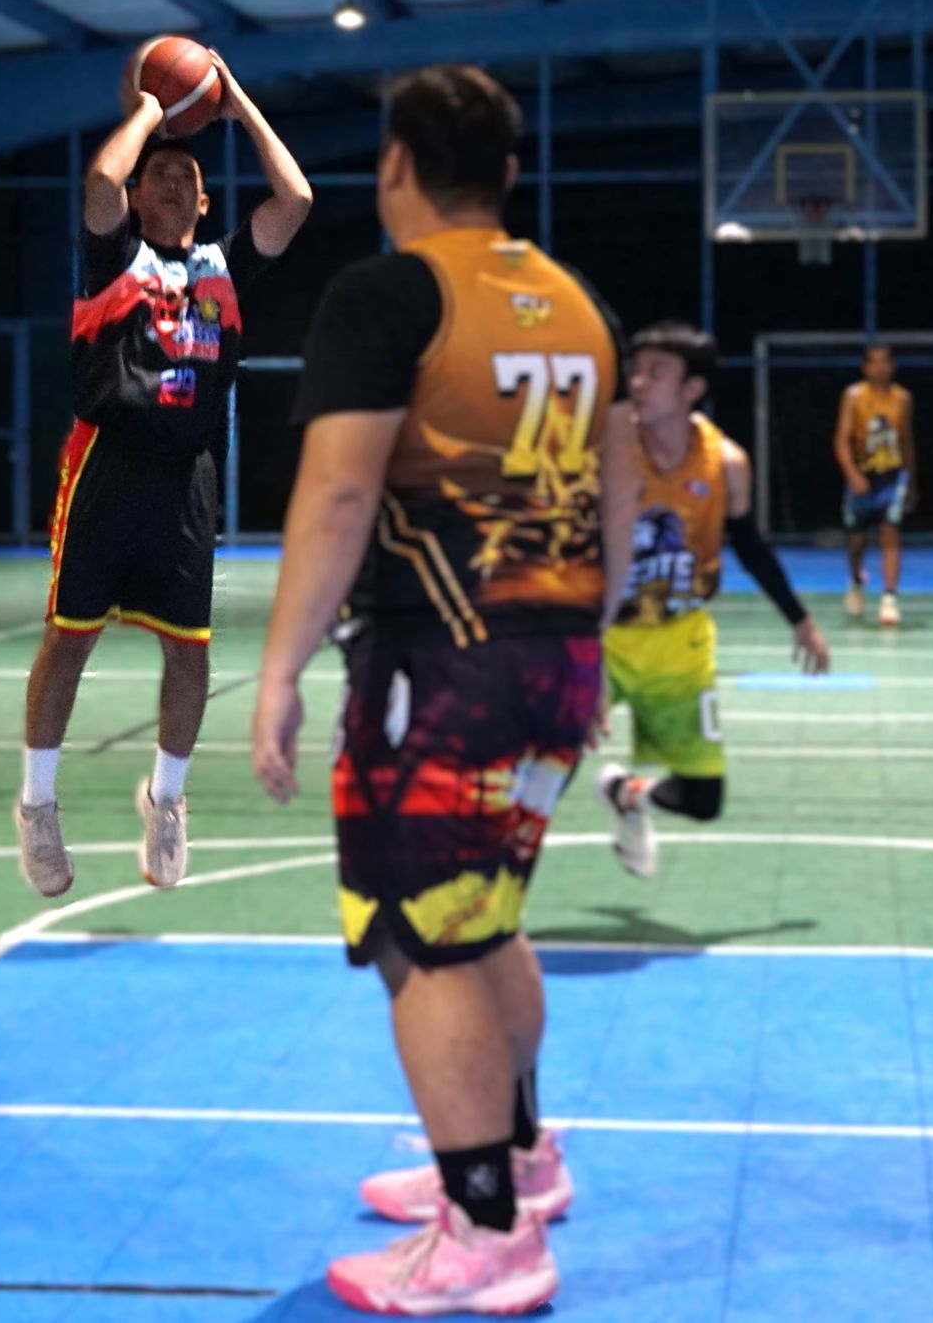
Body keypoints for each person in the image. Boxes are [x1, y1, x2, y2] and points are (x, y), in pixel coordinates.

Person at [250, 64, 639, 1316]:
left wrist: (277, 669)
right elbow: (620, 492)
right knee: (488, 909)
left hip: (441, 664)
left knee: (421, 933)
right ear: (511, 175)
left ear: (396, 167)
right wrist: (586, 627)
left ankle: (488, 1235)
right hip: (558, 656)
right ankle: (517, 1157)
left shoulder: (388, 294)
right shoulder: (574, 302)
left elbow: (340, 494)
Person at [18, 52, 312, 896]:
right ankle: (39, 805)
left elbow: (296, 201)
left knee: (190, 652)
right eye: (163, 178)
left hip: (189, 474)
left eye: (189, 176)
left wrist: (234, 100)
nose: (176, 185)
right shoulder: (114, 258)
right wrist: (155, 108)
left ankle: (169, 801)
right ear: (144, 198)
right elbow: (101, 183)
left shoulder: (225, 266)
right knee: (68, 640)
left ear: (206, 198)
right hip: (106, 460)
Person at [595, 323, 830, 878]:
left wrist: (800, 620)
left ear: (693, 390)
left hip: (680, 639)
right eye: (636, 370)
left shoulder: (726, 462)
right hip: (603, 633)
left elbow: (747, 543)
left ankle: (629, 796)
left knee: (705, 800)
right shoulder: (608, 448)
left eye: (658, 373)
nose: (639, 382)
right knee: (537, 766)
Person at [835, 343, 916, 626]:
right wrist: (852, 474)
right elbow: (841, 440)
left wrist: (912, 480)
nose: (880, 367)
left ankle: (889, 598)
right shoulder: (854, 396)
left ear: (893, 366)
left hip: (891, 477)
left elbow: (906, 440)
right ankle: (856, 581)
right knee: (857, 539)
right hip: (861, 475)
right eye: (874, 362)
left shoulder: (902, 398)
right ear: (865, 366)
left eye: (885, 361)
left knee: (890, 532)